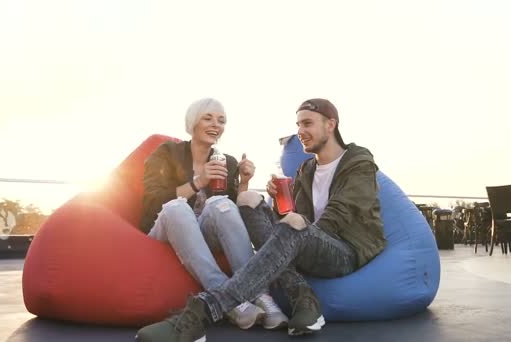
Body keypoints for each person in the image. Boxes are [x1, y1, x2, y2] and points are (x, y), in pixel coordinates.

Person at [136, 98, 386, 341]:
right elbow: (288, 222)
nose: (300, 131)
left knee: (285, 224)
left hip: (344, 249)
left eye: (307, 124)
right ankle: (299, 295)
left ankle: (207, 309)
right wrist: (277, 204)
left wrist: (295, 229)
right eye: (298, 125)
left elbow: (333, 218)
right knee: (249, 201)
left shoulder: (359, 162)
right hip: (174, 223)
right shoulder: (306, 170)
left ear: (330, 125)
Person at [139, 98, 287, 331]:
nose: (215, 125)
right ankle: (227, 298)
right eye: (208, 118)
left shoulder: (225, 161)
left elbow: (231, 214)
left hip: (202, 235)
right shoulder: (167, 152)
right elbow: (153, 202)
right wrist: (199, 181)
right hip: (165, 229)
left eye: (221, 121)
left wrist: (244, 183)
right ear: (193, 122)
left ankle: (259, 293)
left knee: (220, 203)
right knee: (177, 207)